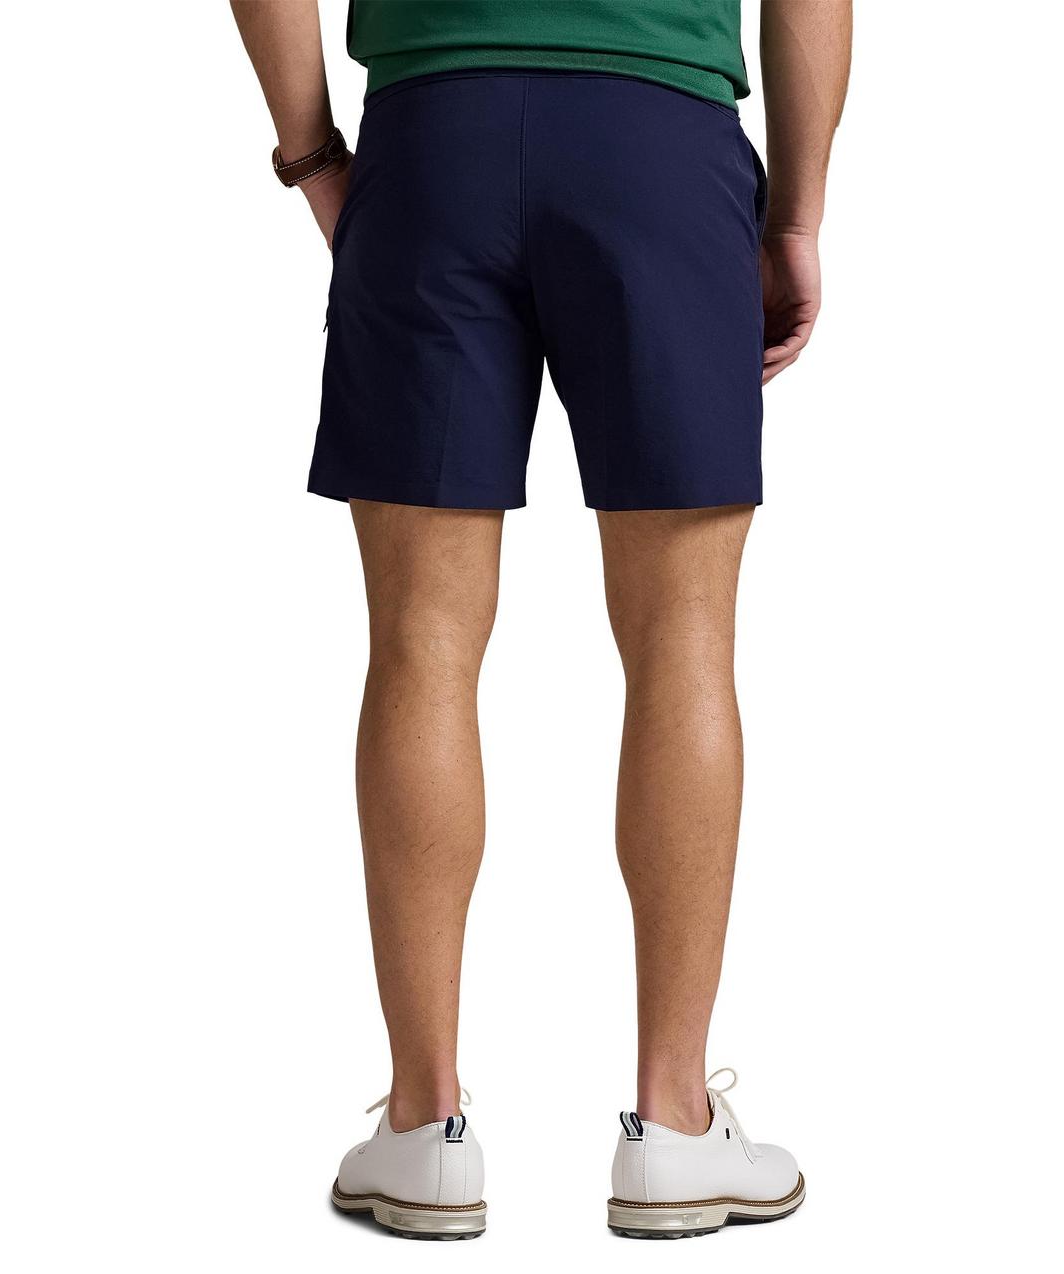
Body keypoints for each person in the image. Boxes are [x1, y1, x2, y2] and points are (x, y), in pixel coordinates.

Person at [231, 0, 851, 1240]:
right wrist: (791, 216)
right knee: (682, 642)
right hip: (660, 146)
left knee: (421, 640)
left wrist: (314, 155)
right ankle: (673, 1124)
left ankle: (424, 1127)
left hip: (434, 141)